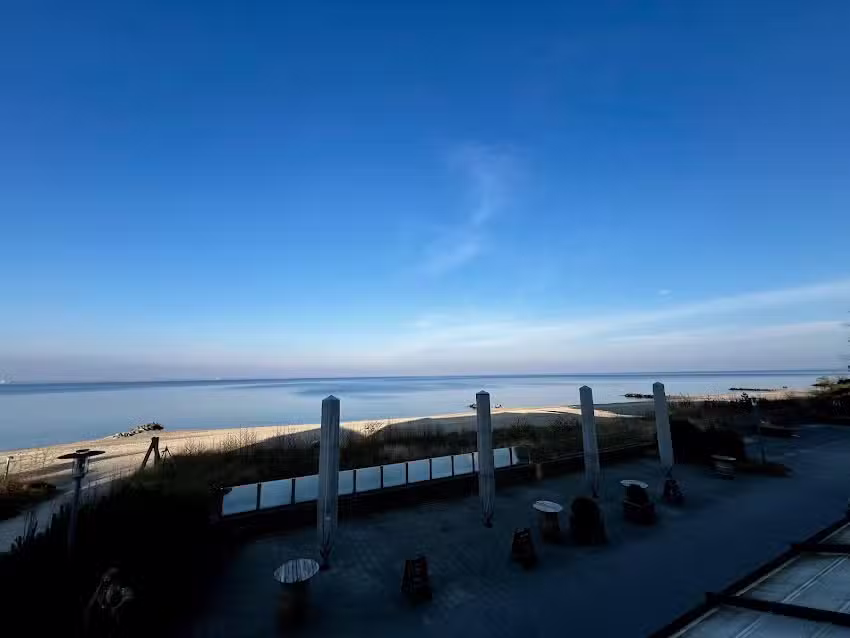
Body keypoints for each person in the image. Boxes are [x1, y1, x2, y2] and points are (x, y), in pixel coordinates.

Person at [84, 568, 136, 637]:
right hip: (102, 625)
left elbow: (118, 615)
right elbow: (90, 606)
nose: (107, 579)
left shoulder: (125, 591)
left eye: (111, 577)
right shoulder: (103, 590)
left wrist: (120, 603)